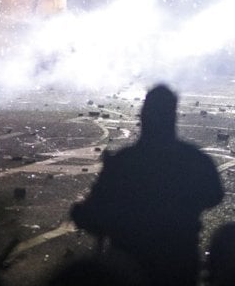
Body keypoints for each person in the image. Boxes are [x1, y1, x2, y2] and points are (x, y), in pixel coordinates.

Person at [70, 84, 224, 286]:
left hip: (130, 264)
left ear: (143, 116)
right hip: (179, 261)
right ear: (172, 117)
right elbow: (215, 194)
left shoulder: (124, 162)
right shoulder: (194, 159)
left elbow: (95, 213)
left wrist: (79, 213)